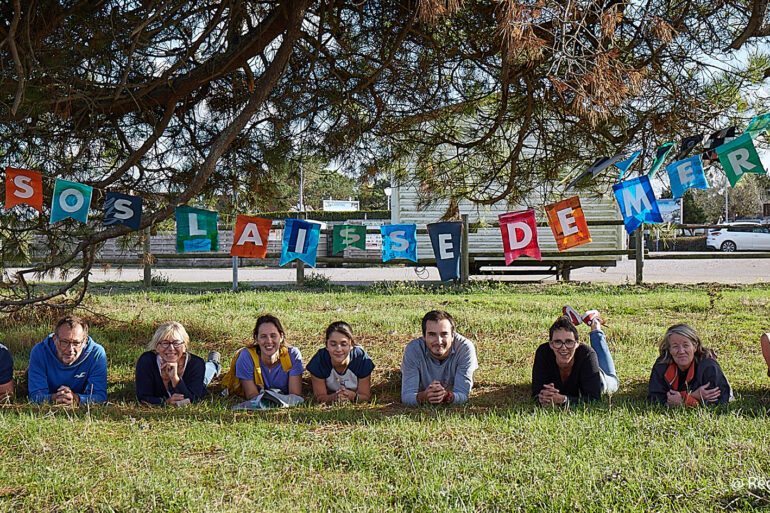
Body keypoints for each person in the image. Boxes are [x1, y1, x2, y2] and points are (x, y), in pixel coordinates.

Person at [532, 309, 619, 407]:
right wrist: (543, 396)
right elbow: (536, 391)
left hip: (598, 379)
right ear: (550, 344)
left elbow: (594, 398)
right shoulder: (543, 352)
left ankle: (595, 324)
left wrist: (564, 400)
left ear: (577, 343)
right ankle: (566, 320)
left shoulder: (587, 354)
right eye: (557, 342)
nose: (563, 348)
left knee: (614, 382)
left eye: (569, 342)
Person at [401, 310, 478, 405]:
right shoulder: (413, 349)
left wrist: (447, 396)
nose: (439, 341)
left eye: (444, 334)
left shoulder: (465, 348)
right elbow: (407, 396)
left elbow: (463, 394)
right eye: (432, 334)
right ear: (424, 336)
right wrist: (424, 397)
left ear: (453, 336)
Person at [135, 321, 221, 406]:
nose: (171, 348)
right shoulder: (146, 361)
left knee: (205, 379)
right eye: (165, 343)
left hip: (197, 376)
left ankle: (213, 362)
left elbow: (193, 400)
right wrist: (166, 402)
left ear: (185, 347)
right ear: (157, 347)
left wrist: (175, 379)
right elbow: (143, 397)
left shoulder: (196, 364)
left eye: (176, 343)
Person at [27, 315, 107, 405]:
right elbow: (35, 396)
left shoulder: (96, 354)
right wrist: (54, 398)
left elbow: (100, 396)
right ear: (55, 339)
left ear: (85, 341)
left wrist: (77, 399)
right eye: (64, 342)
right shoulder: (40, 352)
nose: (70, 349)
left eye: (76, 343)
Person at [648, 323, 731, 406]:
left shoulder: (709, 366)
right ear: (669, 349)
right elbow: (654, 398)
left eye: (686, 345)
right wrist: (692, 396)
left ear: (695, 347)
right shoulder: (662, 364)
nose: (681, 351)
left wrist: (684, 400)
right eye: (675, 346)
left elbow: (720, 401)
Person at [234, 314, 303, 398]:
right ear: (256, 338)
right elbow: (252, 396)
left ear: (281, 337)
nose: (269, 341)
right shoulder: (247, 357)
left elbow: (295, 396)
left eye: (273, 336)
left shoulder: (292, 355)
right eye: (263, 336)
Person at [307, 321, 375, 403]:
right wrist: (334, 398)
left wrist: (352, 396)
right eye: (333, 344)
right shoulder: (319, 360)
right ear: (326, 345)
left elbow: (365, 396)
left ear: (351, 345)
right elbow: (319, 397)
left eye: (344, 344)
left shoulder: (361, 359)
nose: (338, 349)